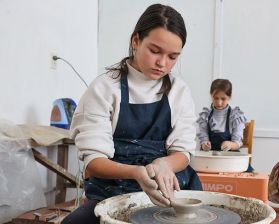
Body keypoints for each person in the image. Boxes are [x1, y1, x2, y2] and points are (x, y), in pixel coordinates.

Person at [62, 4, 201, 224]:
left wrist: (163, 164)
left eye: (173, 56)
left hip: (170, 190)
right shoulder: (105, 89)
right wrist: (137, 172)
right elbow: (94, 162)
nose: (162, 63)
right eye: (155, 51)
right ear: (135, 41)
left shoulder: (179, 90)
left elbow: (182, 152)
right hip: (114, 190)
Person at [197, 79, 246, 152]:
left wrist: (231, 145)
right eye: (216, 98)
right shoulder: (205, 116)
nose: (219, 103)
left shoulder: (235, 116)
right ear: (211, 96)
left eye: (223, 99)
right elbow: (204, 138)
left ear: (229, 97)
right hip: (211, 159)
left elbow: (237, 143)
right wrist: (205, 144)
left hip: (230, 159)